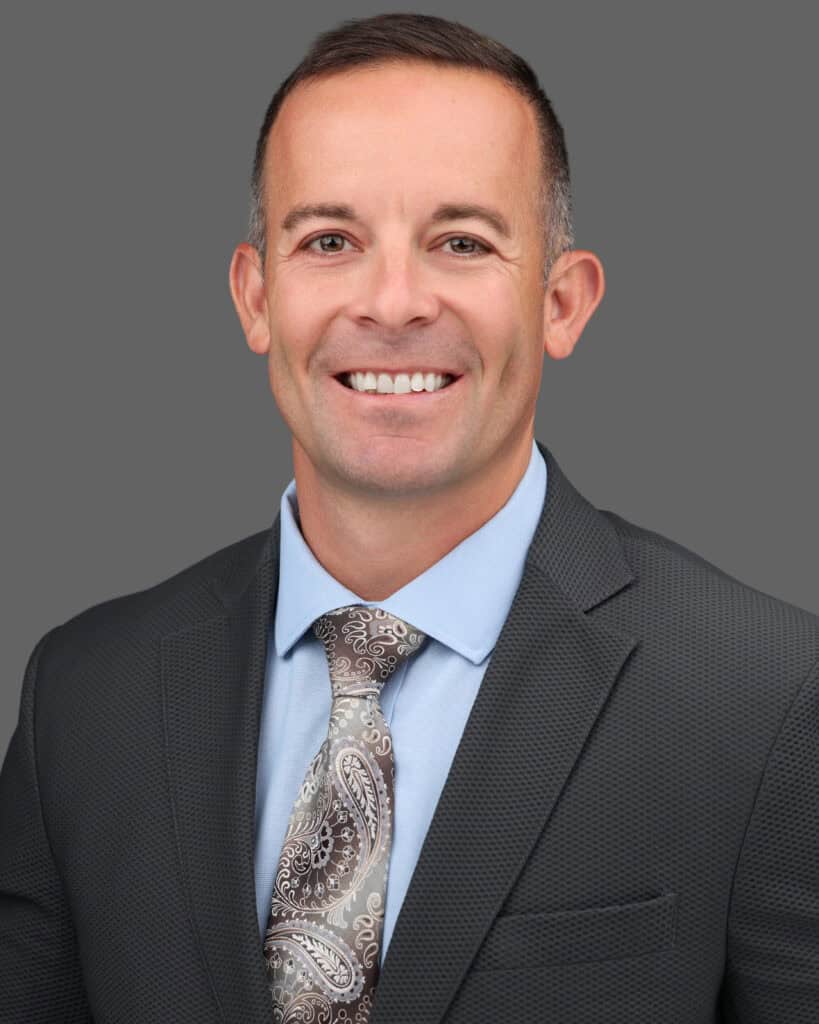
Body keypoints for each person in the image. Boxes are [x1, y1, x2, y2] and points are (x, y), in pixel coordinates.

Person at [1, 11, 817, 1023]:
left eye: (461, 242)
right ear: (256, 297)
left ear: (561, 301)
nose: (392, 303)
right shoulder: (83, 699)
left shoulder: (768, 699)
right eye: (330, 241)